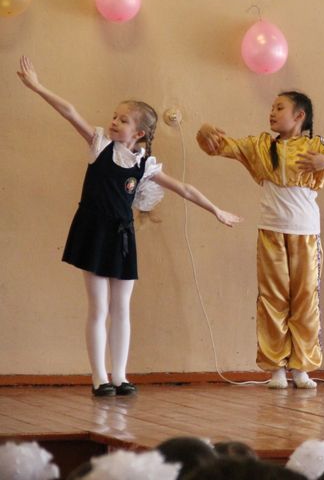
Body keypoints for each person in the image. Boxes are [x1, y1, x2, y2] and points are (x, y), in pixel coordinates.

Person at [17, 56, 241, 397]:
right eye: (114, 117)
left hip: (122, 236)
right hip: (92, 231)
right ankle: (99, 377)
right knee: (99, 307)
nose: (114, 122)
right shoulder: (100, 145)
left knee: (122, 308)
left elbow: (183, 188)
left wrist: (216, 210)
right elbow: (70, 111)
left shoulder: (145, 164)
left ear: (138, 133)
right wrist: (37, 86)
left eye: (123, 120)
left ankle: (120, 376)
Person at [196, 91, 324, 389]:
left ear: (299, 116)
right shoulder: (259, 146)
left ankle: (302, 367)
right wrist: (204, 131)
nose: (272, 112)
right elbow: (217, 146)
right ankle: (275, 369)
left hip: (306, 234)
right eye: (271, 107)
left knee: (305, 299)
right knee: (272, 299)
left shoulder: (314, 146)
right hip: (270, 232)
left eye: (279, 108)